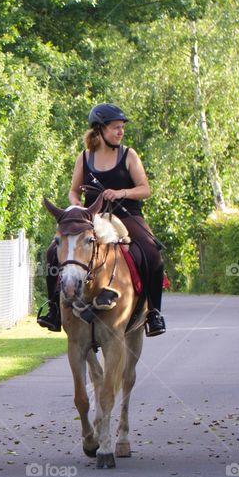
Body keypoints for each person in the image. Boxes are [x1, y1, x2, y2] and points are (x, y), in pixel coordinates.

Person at [37, 102, 166, 336]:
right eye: (115, 127)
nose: (121, 131)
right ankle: (54, 309)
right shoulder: (84, 157)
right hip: (92, 218)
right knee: (50, 252)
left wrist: (120, 193)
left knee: (151, 253)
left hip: (127, 215)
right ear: (100, 130)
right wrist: (75, 203)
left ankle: (154, 313)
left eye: (121, 127)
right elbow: (74, 191)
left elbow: (145, 189)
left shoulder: (129, 155)